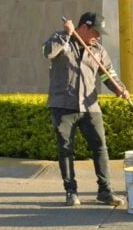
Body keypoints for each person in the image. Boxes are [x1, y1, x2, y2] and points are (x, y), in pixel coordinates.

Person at [43, 12, 127, 207]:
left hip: (90, 106)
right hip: (62, 105)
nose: (98, 36)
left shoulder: (98, 50)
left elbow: (108, 75)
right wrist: (66, 34)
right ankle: (71, 191)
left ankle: (105, 191)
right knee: (66, 149)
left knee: (100, 148)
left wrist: (120, 89)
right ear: (83, 28)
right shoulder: (60, 40)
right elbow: (47, 52)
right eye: (95, 32)